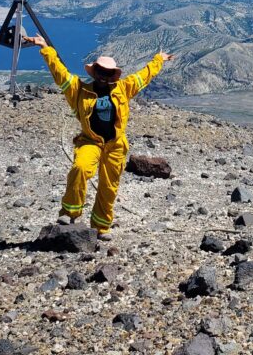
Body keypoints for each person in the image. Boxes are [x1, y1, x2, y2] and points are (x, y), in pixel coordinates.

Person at [23, 34, 173, 239]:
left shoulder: (124, 88)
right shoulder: (79, 90)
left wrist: (158, 60)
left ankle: (101, 226)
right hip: (90, 141)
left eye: (108, 73)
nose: (103, 76)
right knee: (80, 168)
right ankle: (69, 213)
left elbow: (144, 75)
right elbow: (60, 73)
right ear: (95, 72)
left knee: (109, 187)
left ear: (113, 75)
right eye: (101, 72)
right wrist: (45, 48)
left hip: (115, 145)